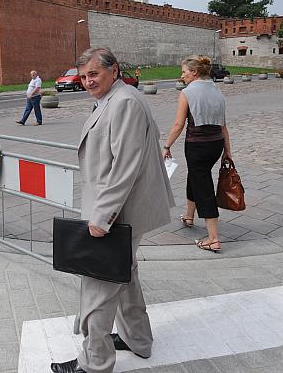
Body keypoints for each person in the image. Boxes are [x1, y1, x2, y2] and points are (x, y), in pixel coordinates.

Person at [51, 48, 174, 373]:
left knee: (98, 288)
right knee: (125, 275)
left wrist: (102, 217)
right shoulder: (116, 99)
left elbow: (125, 167)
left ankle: (94, 363)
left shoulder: (125, 103)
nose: (88, 81)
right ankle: (138, 339)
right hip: (121, 210)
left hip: (117, 213)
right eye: (84, 76)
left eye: (94, 74)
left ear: (114, 70)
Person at [163, 55, 231, 254]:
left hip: (197, 145)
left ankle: (213, 238)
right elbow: (224, 125)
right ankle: (189, 216)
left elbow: (178, 125)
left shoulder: (187, 93)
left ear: (194, 72)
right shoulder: (217, 91)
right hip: (216, 144)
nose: (182, 75)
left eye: (184, 72)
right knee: (196, 177)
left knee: (203, 186)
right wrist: (228, 151)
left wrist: (166, 146)